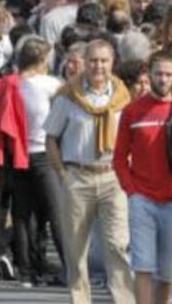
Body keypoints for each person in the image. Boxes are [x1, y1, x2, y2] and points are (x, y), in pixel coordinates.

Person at [45, 39, 134, 304]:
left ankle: (124, 299)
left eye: (104, 61)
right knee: (75, 248)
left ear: (112, 63)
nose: (98, 66)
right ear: (84, 62)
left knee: (117, 245)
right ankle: (80, 299)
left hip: (112, 177)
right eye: (93, 60)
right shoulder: (67, 95)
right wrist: (62, 174)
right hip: (78, 176)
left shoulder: (122, 96)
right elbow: (51, 138)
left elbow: (132, 139)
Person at [114, 50, 172, 304]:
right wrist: (131, 191)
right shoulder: (132, 111)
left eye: (168, 74)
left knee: (167, 272)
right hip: (142, 200)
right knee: (143, 267)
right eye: (158, 74)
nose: (162, 79)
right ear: (148, 75)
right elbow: (119, 157)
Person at [0, 36, 65, 287]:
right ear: (42, 59)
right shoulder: (52, 85)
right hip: (44, 154)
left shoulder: (6, 85)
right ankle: (70, 268)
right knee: (56, 213)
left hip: (14, 155)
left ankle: (27, 272)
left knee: (22, 214)